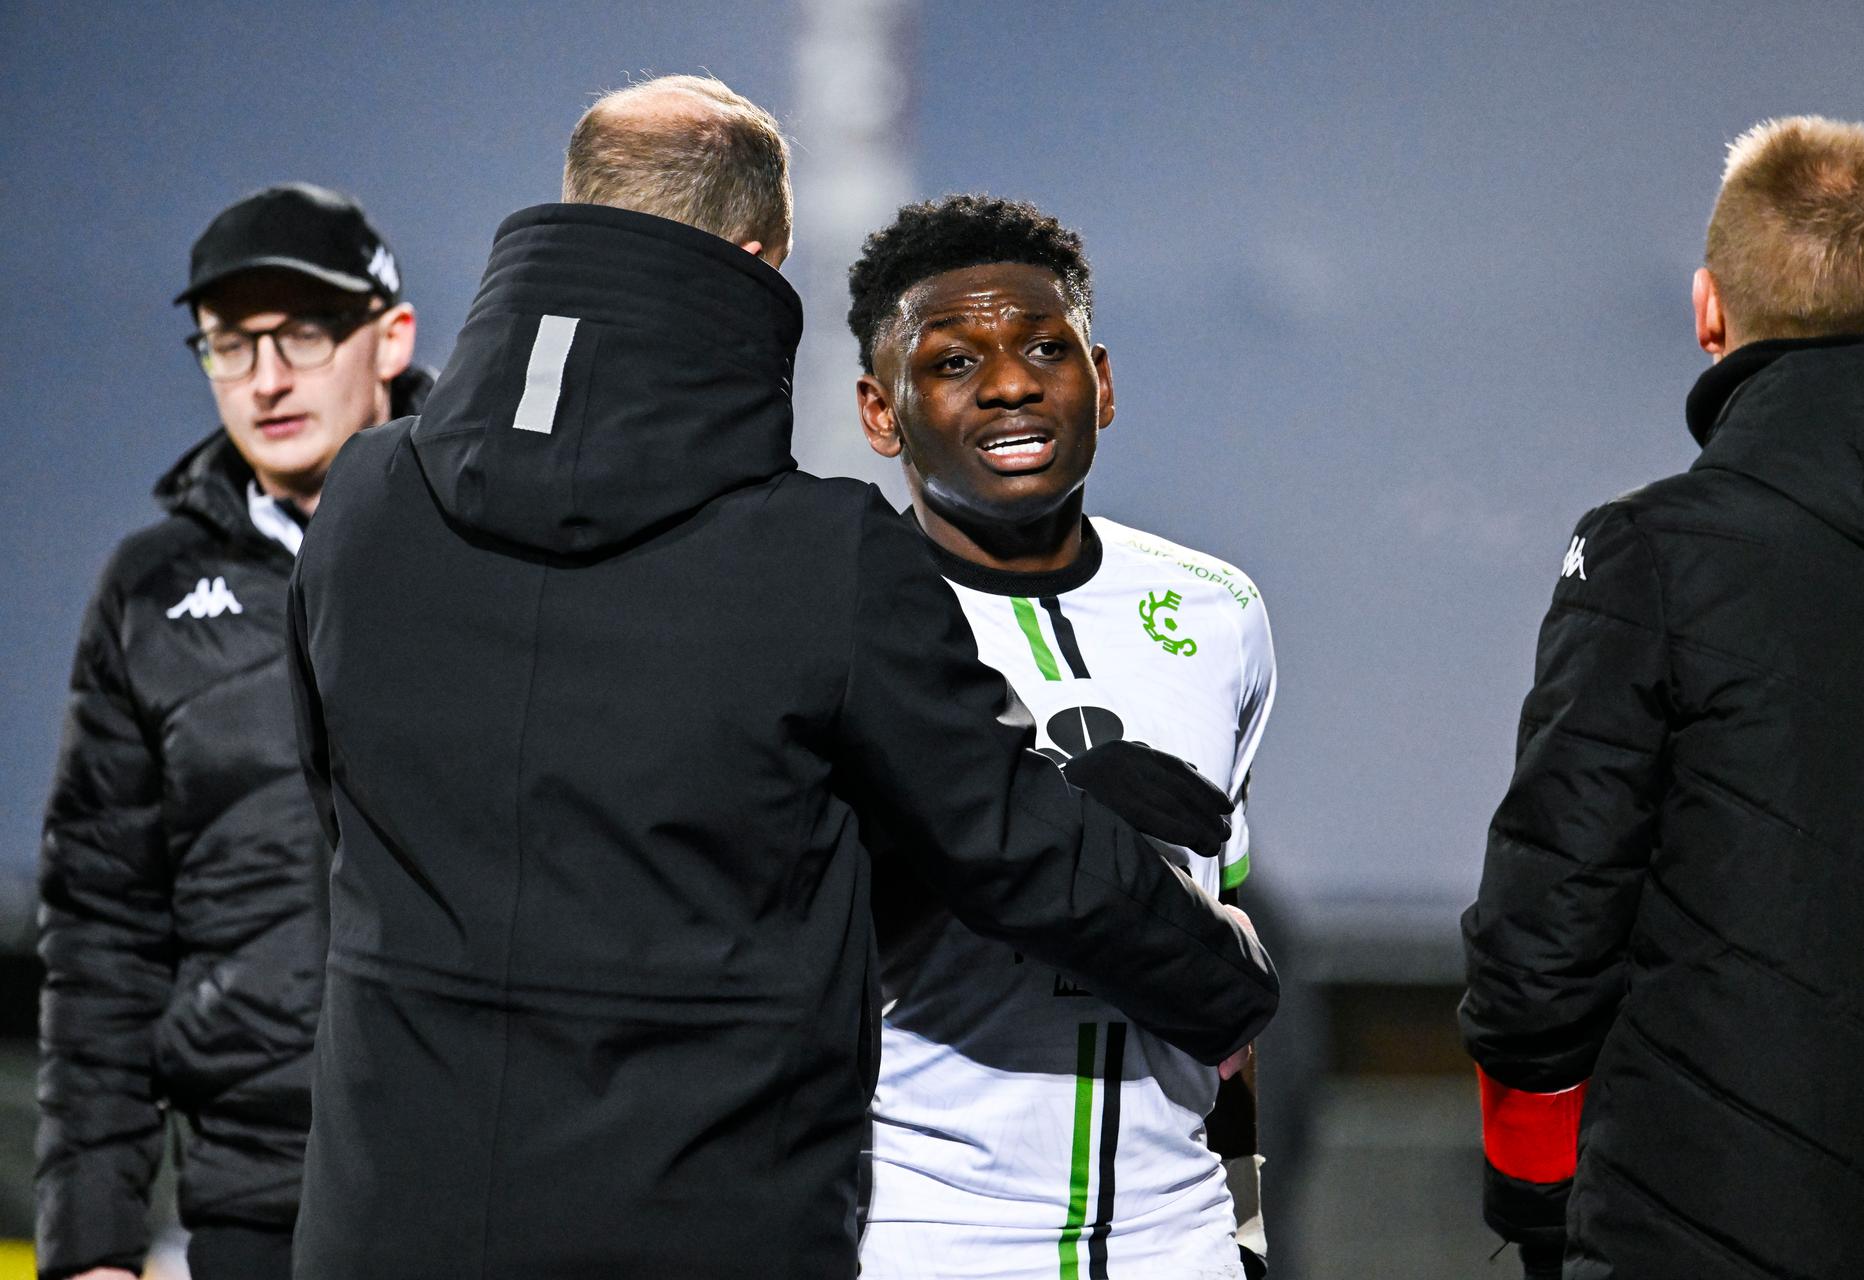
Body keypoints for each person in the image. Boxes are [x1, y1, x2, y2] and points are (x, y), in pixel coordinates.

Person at [283, 75, 1277, 1280]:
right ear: (759, 257)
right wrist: (1225, 977)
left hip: (388, 1212)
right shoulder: (822, 558)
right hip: (701, 1213)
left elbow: (335, 809)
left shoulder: (364, 501)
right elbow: (1016, 846)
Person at [1460, 116, 1864, 1280]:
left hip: (1704, 1222)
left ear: (1710, 311)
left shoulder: (1649, 555)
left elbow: (1545, 934)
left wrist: (1532, 1197)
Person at [846, 195, 1278, 1280]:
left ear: (1106, 380)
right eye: (953, 360)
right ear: (879, 410)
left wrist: (1245, 1224)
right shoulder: (834, 624)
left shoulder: (1219, 608)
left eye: (1048, 347)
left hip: (1175, 1237)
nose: (1010, 382)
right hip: (918, 1234)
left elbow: (1221, 948)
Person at [36, 183, 426, 1280]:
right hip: (255, 1195)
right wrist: (92, 1240)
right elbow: (102, 931)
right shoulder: (147, 591)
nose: (263, 376)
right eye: (225, 343)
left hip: (486, 1175)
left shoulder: (500, 539)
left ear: (390, 336)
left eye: (301, 331)